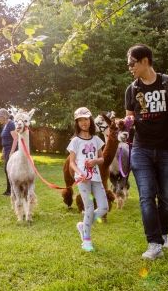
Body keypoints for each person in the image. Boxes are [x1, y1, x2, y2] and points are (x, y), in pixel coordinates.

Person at [124, 44, 168, 260]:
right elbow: (130, 118)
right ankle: (154, 243)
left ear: (144, 61)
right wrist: (126, 123)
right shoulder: (132, 89)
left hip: (167, 149)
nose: (130, 67)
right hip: (141, 149)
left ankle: (164, 232)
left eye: (132, 63)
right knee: (146, 196)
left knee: (166, 198)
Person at [67, 107, 109, 252]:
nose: (83, 122)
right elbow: (71, 162)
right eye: (80, 120)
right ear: (77, 123)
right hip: (82, 179)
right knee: (89, 208)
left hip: (96, 177)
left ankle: (83, 226)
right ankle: (86, 240)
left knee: (104, 207)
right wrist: (79, 173)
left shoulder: (97, 139)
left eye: (86, 119)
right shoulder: (75, 141)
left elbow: (102, 159)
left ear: (90, 120)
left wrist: (95, 162)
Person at [0, 108, 18, 196]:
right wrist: (3, 152)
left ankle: (11, 190)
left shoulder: (11, 124)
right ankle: (9, 190)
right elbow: (4, 139)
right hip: (6, 149)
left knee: (8, 170)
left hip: (11, 149)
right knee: (7, 170)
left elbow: (15, 139)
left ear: (3, 116)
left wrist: (11, 152)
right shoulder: (5, 125)